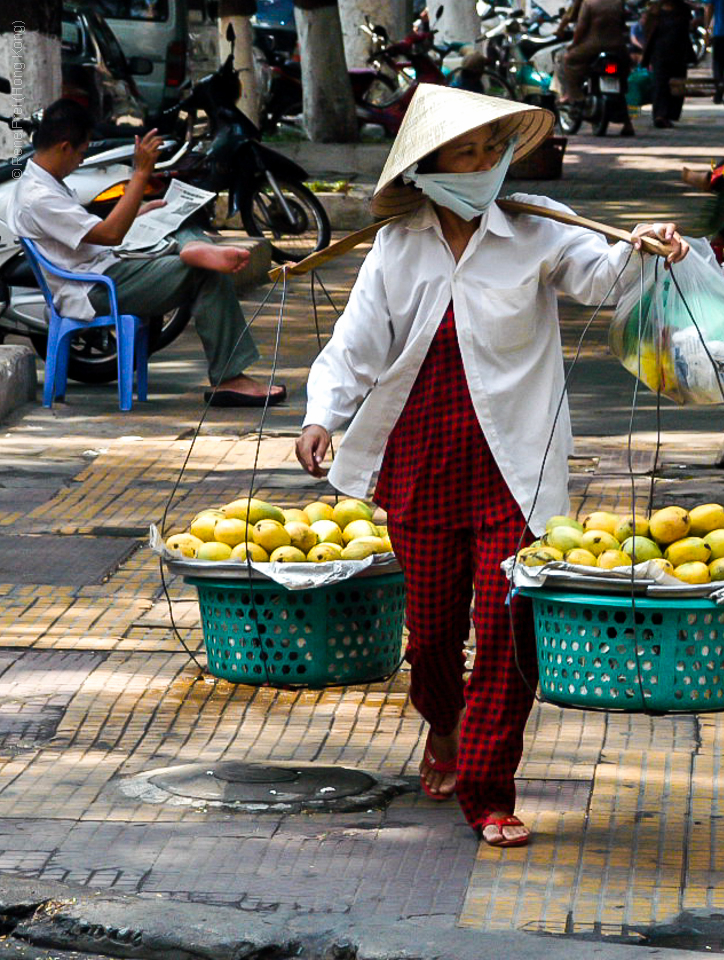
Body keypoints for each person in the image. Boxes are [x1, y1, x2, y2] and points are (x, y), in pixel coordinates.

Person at [295, 85, 687, 848]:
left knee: (509, 628)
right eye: (463, 154)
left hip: (515, 460)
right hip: (419, 459)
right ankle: (442, 724)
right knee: (433, 634)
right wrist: (322, 416)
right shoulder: (398, 245)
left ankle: (487, 788)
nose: (481, 166)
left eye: (490, 151)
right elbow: (356, 343)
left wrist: (644, 247)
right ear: (427, 168)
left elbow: (601, 275)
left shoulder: (537, 228)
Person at [9, 99, 285, 407]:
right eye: (82, 151)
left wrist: (141, 215)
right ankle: (230, 379)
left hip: (104, 266)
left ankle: (193, 247)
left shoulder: (44, 181)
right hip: (94, 288)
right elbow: (110, 235)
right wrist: (141, 174)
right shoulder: (39, 196)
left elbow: (88, 232)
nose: (81, 159)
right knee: (205, 273)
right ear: (63, 147)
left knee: (175, 220)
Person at [557, 0, 635, 134]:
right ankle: (627, 123)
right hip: (618, 47)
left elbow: (580, 27)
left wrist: (573, 44)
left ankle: (575, 97)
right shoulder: (618, 2)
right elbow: (622, 25)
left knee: (567, 59)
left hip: (592, 46)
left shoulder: (588, 4)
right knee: (620, 82)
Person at [640, 0, 695, 128]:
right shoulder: (654, 11)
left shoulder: (683, 10)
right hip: (659, 53)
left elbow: (689, 27)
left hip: (679, 52)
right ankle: (660, 115)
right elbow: (647, 32)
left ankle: (671, 114)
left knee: (678, 83)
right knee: (660, 84)